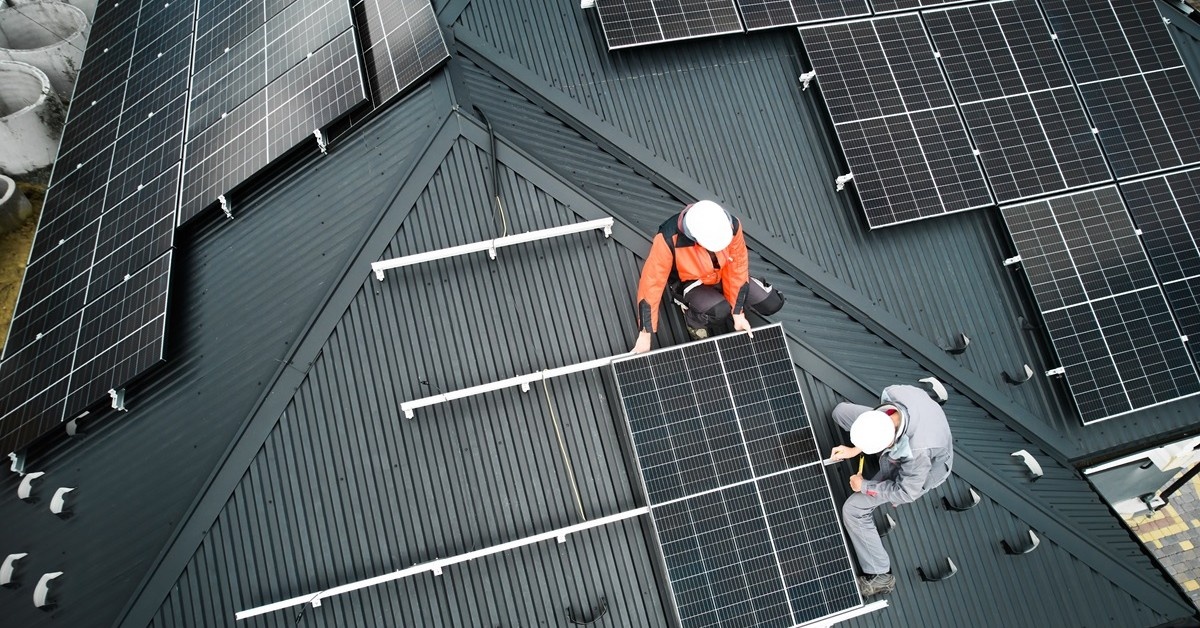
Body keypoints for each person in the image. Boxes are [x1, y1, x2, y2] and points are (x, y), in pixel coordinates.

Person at [828, 383, 954, 597]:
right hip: (902, 429)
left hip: (924, 469)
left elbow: (906, 492)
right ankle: (870, 445)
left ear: (889, 443)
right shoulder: (894, 394)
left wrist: (865, 486)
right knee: (841, 413)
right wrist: (856, 448)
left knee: (854, 510)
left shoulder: (917, 455)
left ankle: (880, 574)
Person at [631, 200, 783, 353]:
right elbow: (651, 284)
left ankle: (728, 300)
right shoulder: (668, 238)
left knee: (772, 302)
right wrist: (645, 333)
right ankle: (692, 318)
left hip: (722, 274)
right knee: (719, 311)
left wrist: (738, 313)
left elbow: (737, 267)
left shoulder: (730, 226)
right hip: (692, 282)